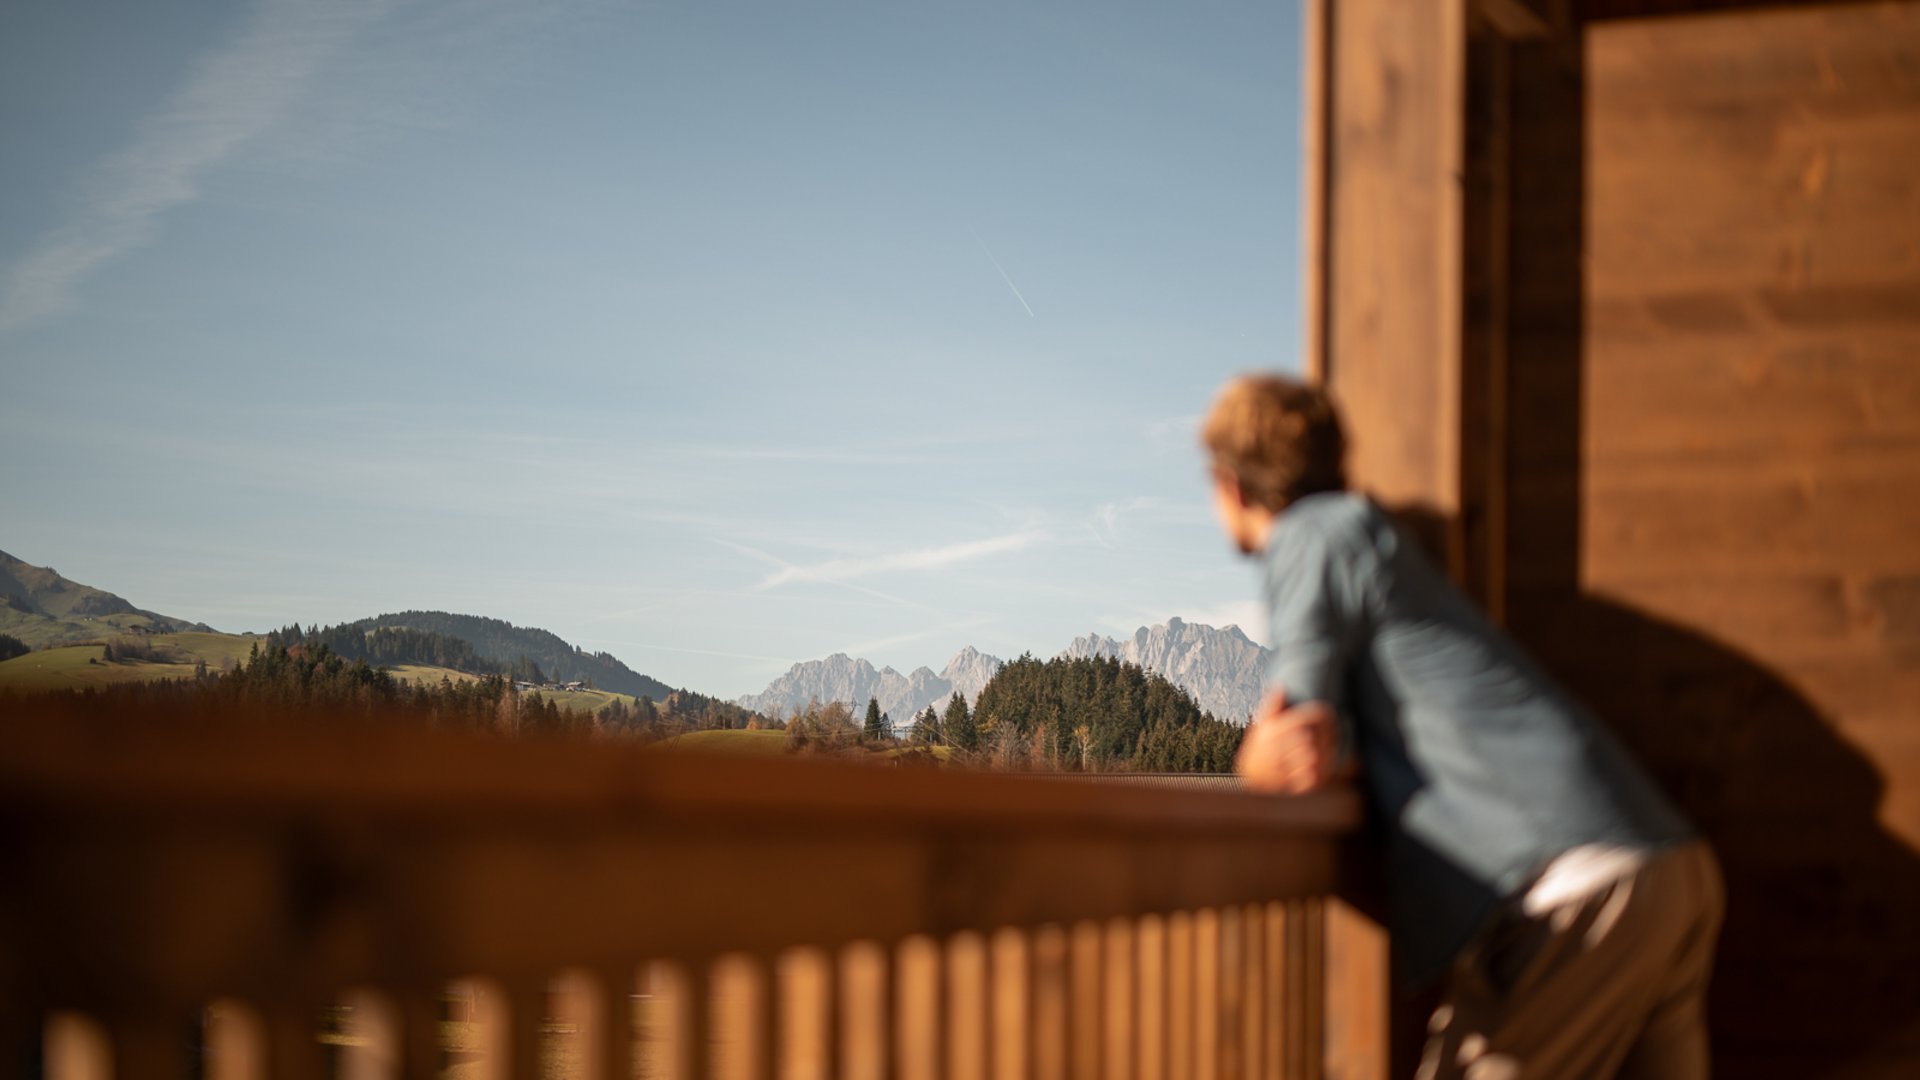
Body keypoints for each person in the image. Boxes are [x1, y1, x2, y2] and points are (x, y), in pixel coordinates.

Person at [1203, 373, 1723, 1079]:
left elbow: (1298, 741)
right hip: (1666, 866)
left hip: (1575, 885)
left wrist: (1253, 766)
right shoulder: (1372, 540)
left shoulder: (1309, 534)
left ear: (1230, 485)